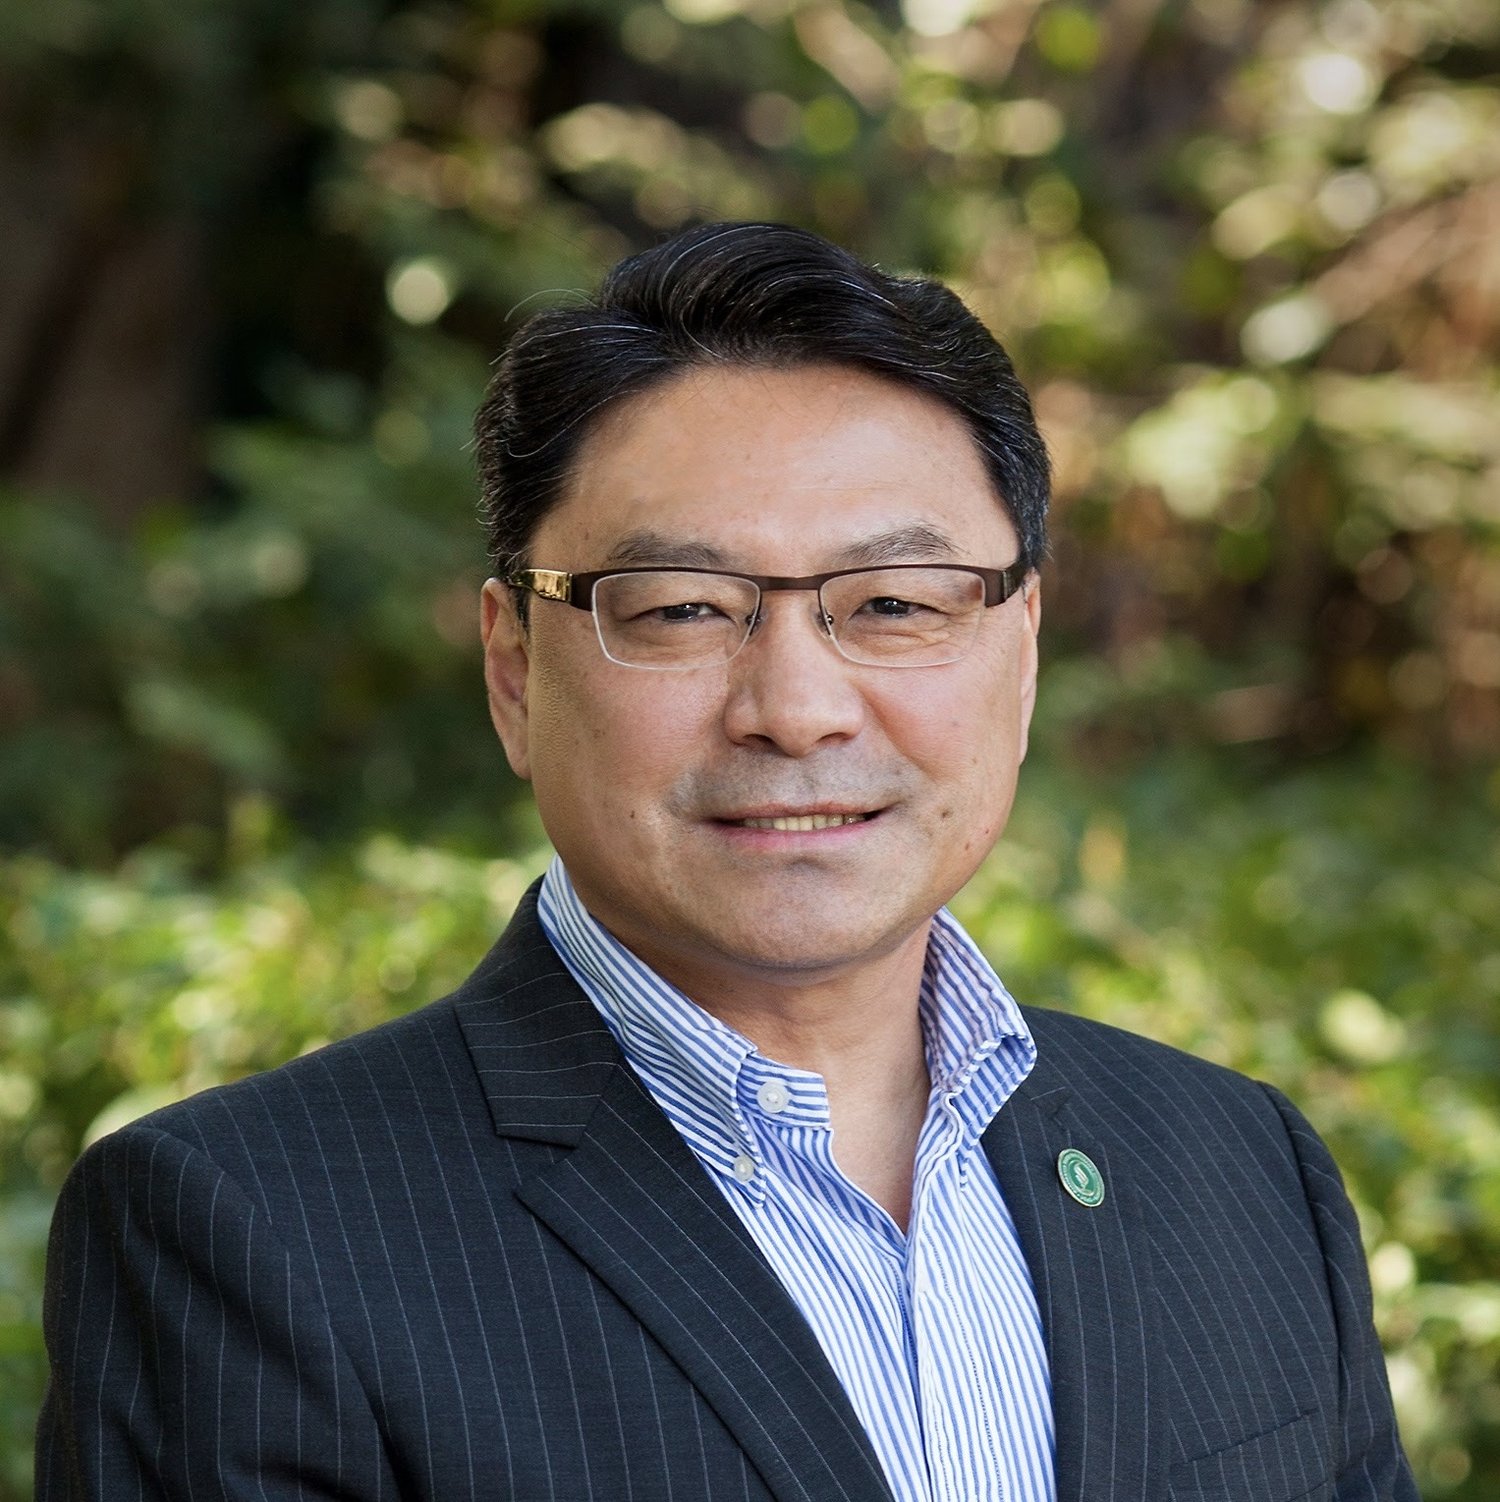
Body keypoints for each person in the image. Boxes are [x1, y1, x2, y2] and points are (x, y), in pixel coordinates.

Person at [37, 222, 1415, 1502]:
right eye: (686, 607)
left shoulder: (1240, 1168)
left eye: (892, 604)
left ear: (1023, 650)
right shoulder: (247, 1233)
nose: (798, 706)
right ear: (513, 670)